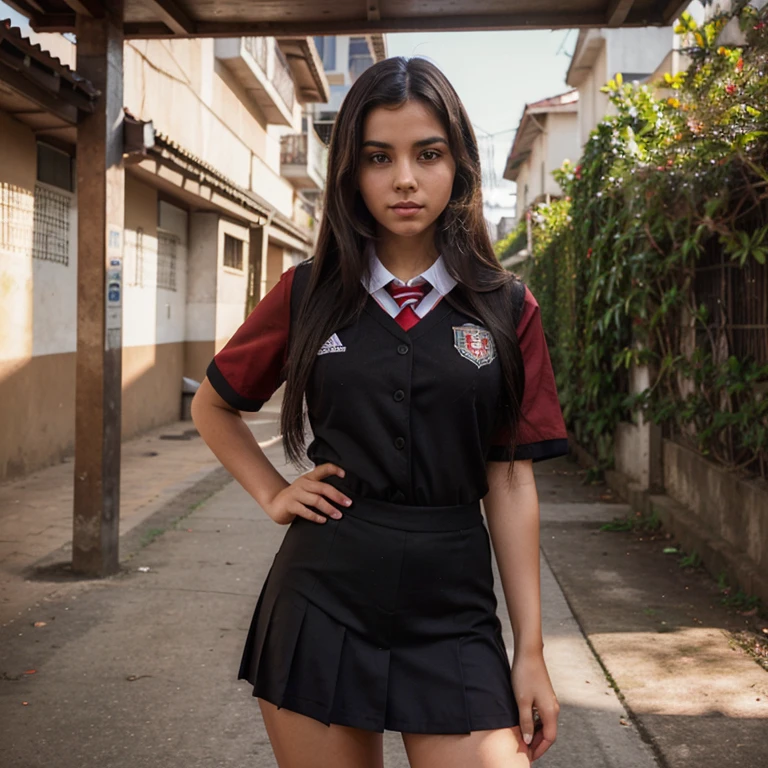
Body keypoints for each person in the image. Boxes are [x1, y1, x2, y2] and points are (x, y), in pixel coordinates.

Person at [191, 56, 569, 768]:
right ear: (351, 174)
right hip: (323, 598)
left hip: (453, 613)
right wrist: (274, 493)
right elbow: (214, 405)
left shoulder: (507, 308)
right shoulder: (307, 293)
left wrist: (531, 651)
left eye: (427, 154)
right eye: (378, 157)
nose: (404, 179)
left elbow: (512, 481)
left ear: (458, 163)